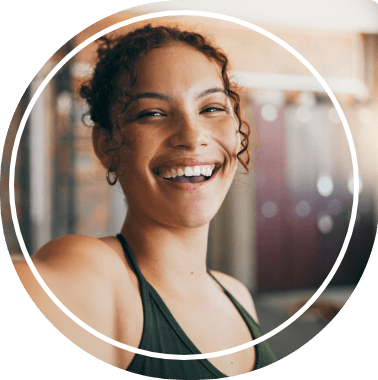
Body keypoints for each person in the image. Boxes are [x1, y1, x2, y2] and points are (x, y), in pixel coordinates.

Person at [13, 24, 276, 378]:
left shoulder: (237, 295)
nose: (192, 136)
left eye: (212, 108)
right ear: (106, 145)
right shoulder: (99, 280)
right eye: (152, 113)